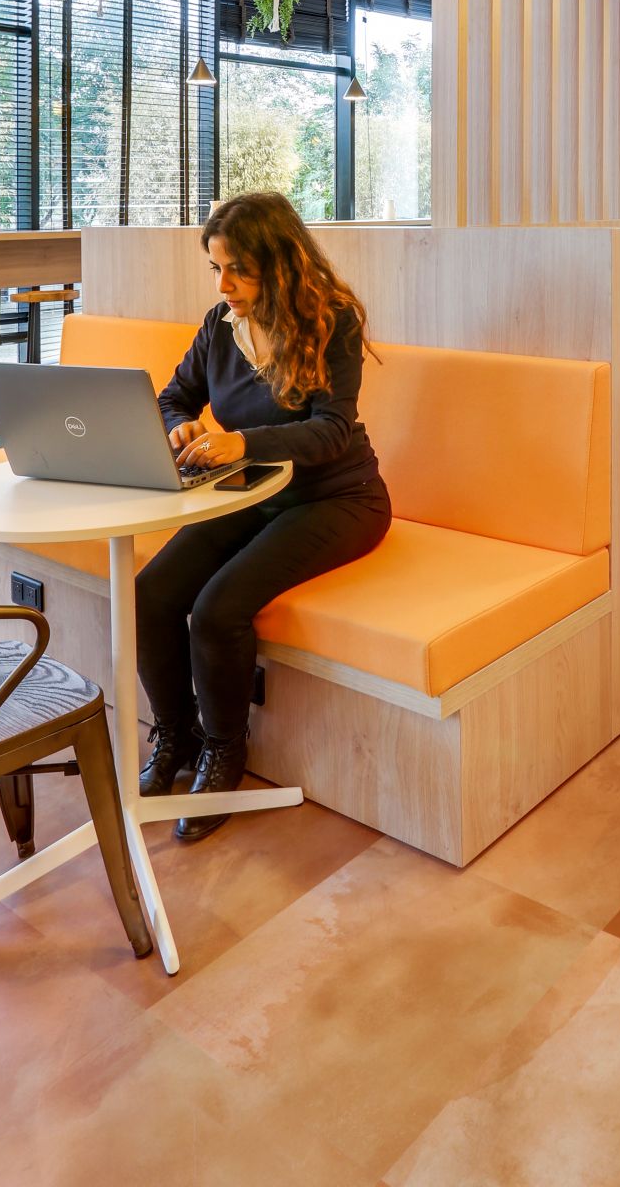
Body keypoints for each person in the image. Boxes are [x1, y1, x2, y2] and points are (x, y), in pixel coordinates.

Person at [135, 193, 391, 841]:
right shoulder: (220, 325)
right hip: (251, 491)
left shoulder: (332, 321)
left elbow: (331, 431)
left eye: (237, 271)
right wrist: (180, 424)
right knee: (150, 593)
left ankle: (225, 753)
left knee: (217, 609)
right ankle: (178, 735)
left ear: (276, 264)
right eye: (216, 269)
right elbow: (173, 395)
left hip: (339, 497)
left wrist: (242, 443)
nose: (223, 286)